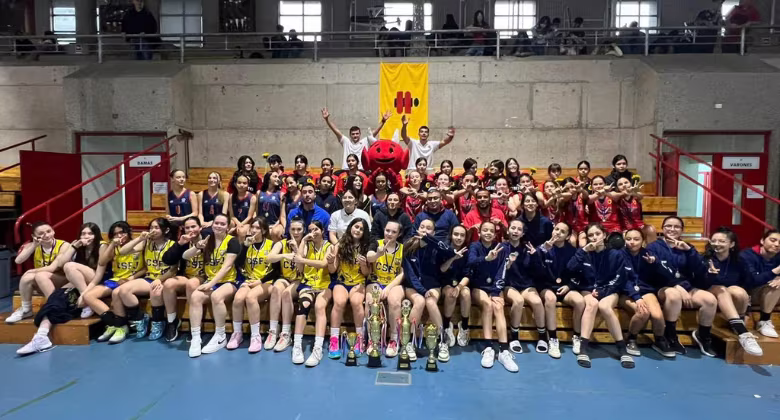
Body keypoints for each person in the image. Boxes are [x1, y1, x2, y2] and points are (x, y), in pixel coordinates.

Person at [567, 223, 639, 369]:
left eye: (597, 234)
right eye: (591, 235)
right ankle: (583, 348)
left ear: (604, 235)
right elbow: (570, 268)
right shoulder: (585, 252)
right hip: (588, 290)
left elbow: (620, 278)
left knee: (605, 307)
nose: (594, 237)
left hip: (609, 290)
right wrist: (583, 250)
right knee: (592, 305)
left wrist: (603, 291)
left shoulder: (615, 254)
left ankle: (622, 348)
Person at [647, 216, 718, 357]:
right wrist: (675, 286)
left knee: (710, 300)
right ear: (662, 228)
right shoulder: (654, 247)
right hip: (663, 287)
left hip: (687, 287)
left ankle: (703, 336)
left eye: (676, 227)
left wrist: (689, 251)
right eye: (668, 226)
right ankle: (671, 335)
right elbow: (655, 272)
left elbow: (699, 271)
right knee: (674, 295)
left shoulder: (687, 247)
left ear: (682, 230)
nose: (672, 229)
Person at [183, 214, 242, 357]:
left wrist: (210, 284)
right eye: (216, 223)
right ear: (212, 224)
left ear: (228, 227)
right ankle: (196, 337)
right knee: (196, 296)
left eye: (222, 224)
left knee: (216, 296)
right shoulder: (207, 241)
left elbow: (227, 267)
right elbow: (185, 256)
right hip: (211, 281)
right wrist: (197, 246)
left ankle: (220, 336)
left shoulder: (232, 241)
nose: (219, 226)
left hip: (230, 281)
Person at [698, 227, 762, 355]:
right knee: (721, 288)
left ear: (731, 244)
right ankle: (742, 332)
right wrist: (710, 275)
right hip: (710, 295)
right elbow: (699, 284)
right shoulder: (704, 259)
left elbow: (748, 284)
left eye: (722, 241)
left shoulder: (739, 261)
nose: (716, 244)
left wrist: (747, 311)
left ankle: (737, 321)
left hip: (732, 300)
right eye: (714, 240)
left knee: (739, 291)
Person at [401, 220, 458, 362]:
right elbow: (410, 274)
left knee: (431, 302)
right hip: (413, 286)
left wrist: (430, 240)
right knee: (419, 301)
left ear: (433, 232)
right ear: (417, 229)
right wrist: (421, 290)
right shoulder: (408, 246)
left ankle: (442, 341)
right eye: (422, 227)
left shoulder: (436, 248)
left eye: (428, 228)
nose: (424, 230)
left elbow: (449, 251)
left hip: (432, 284)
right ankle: (409, 343)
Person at [467, 221, 518, 372]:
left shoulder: (501, 248)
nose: (488, 233)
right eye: (485, 230)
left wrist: (496, 292)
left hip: (494, 287)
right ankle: (488, 347)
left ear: (495, 234)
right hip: (478, 286)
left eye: (491, 231)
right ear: (480, 232)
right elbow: (471, 261)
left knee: (498, 306)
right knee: (487, 305)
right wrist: (486, 259)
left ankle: (503, 350)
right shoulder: (475, 246)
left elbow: (502, 271)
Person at [115, 218, 176, 341]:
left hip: (166, 279)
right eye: (151, 227)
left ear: (166, 230)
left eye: (156, 227)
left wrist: (160, 279)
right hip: (149, 278)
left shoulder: (172, 245)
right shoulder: (146, 242)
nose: (153, 230)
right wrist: (140, 238)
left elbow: (174, 270)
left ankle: (158, 322)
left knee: (156, 291)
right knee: (123, 290)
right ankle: (140, 318)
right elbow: (123, 251)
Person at [81, 221, 142, 343]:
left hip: (133, 279)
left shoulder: (139, 244)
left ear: (128, 232)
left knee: (117, 293)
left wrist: (131, 278)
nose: (119, 236)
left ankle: (121, 327)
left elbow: (145, 268)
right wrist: (111, 246)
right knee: (88, 296)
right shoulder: (113, 246)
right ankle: (114, 324)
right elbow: (102, 262)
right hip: (116, 279)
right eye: (116, 234)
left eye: (122, 232)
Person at [619, 228, 674, 358]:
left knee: (657, 316)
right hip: (626, 292)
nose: (632, 242)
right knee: (643, 312)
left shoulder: (649, 254)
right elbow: (622, 279)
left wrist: (655, 264)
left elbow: (668, 275)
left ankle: (659, 340)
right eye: (628, 239)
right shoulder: (619, 255)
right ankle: (631, 339)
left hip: (646, 290)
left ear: (643, 241)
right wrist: (637, 297)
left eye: (636, 239)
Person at [6, 221, 71, 324]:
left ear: (53, 231)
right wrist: (33, 246)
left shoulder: (64, 245)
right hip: (42, 280)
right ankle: (26, 309)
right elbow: (18, 260)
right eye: (41, 233)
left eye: (48, 231)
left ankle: (56, 307)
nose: (46, 235)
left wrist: (31, 271)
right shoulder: (33, 245)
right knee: (28, 278)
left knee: (38, 275)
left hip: (63, 280)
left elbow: (52, 268)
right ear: (34, 236)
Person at [228, 217, 277, 353]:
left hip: (266, 281)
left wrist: (260, 281)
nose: (254, 230)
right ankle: (237, 334)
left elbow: (277, 271)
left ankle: (256, 336)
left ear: (264, 230)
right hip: (249, 280)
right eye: (253, 227)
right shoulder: (245, 244)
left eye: (258, 228)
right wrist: (244, 247)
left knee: (250, 298)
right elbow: (237, 264)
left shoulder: (271, 245)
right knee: (238, 299)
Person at [536, 222, 584, 357]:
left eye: (563, 231)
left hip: (565, 288)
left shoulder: (571, 251)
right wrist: (541, 251)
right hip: (547, 287)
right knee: (550, 299)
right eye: (556, 229)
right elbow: (534, 268)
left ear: (568, 236)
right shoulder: (543, 247)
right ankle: (552, 338)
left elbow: (578, 272)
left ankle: (577, 337)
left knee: (580, 301)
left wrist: (569, 286)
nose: (558, 233)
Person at [502, 219, 548, 355]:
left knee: (537, 301)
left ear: (522, 233)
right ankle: (514, 337)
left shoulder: (528, 248)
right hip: (509, 285)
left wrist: (535, 256)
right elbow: (499, 272)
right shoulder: (502, 247)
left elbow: (539, 271)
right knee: (518, 301)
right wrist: (508, 265)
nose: (515, 231)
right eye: (513, 228)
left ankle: (542, 336)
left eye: (519, 229)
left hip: (527, 285)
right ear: (508, 230)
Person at [326, 218, 371, 359]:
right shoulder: (339, 244)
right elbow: (333, 270)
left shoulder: (366, 247)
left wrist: (363, 265)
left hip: (358, 282)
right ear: (350, 227)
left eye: (361, 229)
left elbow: (367, 273)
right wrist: (329, 262)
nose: (357, 230)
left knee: (356, 302)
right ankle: (334, 339)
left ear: (364, 233)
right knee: (339, 302)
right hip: (341, 281)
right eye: (355, 227)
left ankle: (359, 338)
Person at [291, 220, 334, 366]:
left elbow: (323, 264)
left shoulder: (329, 246)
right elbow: (299, 266)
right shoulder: (307, 244)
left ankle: (318, 348)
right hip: (308, 283)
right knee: (303, 305)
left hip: (325, 285)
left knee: (319, 306)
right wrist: (303, 240)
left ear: (322, 231)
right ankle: (297, 345)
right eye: (310, 230)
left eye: (316, 229)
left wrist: (302, 259)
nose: (313, 232)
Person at [159, 216, 205, 342]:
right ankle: (172, 321)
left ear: (200, 227)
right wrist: (179, 244)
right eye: (187, 227)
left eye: (193, 226)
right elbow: (167, 260)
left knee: (192, 284)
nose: (190, 230)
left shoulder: (208, 239)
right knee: (168, 284)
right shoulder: (183, 241)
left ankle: (194, 324)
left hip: (204, 276)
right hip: (186, 275)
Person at [365, 220, 405, 357]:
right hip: (376, 281)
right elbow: (369, 258)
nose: (389, 234)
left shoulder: (402, 248)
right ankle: (372, 339)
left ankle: (394, 339)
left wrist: (388, 288)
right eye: (387, 230)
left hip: (393, 283)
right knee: (371, 300)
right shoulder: (377, 243)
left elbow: (402, 273)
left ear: (399, 234)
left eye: (394, 232)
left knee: (394, 301)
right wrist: (378, 254)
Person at [267, 217, 307, 351]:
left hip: (300, 279)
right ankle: (273, 330)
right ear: (289, 230)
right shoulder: (282, 243)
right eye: (293, 229)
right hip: (285, 277)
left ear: (303, 231)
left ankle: (286, 333)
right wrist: (284, 256)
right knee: (276, 289)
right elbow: (269, 258)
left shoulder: (306, 244)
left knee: (285, 294)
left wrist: (296, 251)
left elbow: (303, 269)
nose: (296, 232)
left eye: (299, 229)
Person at [740, 230, 780, 338]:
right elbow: (753, 280)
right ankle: (764, 320)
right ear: (762, 240)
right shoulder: (746, 255)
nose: (777, 244)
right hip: (749, 293)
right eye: (773, 240)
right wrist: (776, 272)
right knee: (775, 287)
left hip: (770, 293)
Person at [322, 107, 391, 169]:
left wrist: (383, 121)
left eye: (357, 133)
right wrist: (327, 120)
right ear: (350, 135)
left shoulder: (365, 141)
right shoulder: (346, 141)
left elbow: (375, 132)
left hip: (361, 171)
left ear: (360, 134)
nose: (355, 135)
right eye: (353, 134)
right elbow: (336, 130)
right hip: (346, 170)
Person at [439, 225, 472, 348]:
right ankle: (447, 327)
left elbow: (468, 275)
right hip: (445, 284)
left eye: (462, 235)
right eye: (456, 234)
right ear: (451, 235)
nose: (459, 237)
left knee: (466, 293)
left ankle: (464, 327)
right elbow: (441, 270)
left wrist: (459, 287)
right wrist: (453, 258)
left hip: (461, 283)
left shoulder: (468, 252)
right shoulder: (444, 249)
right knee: (450, 294)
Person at [616, 175, 656, 243]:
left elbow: (640, 196)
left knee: (651, 229)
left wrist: (634, 193)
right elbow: (611, 195)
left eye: (626, 182)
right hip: (624, 228)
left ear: (630, 184)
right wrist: (624, 193)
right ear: (617, 188)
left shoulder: (636, 196)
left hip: (639, 226)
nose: (624, 185)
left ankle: (652, 251)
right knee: (628, 236)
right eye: (620, 184)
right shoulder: (617, 197)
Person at [258, 170, 285, 241]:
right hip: (261, 224)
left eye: (278, 177)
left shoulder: (281, 194)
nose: (278, 179)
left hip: (274, 223)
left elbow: (281, 215)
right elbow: (256, 211)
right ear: (268, 179)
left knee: (274, 232)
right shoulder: (259, 193)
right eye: (275, 177)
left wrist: (274, 225)